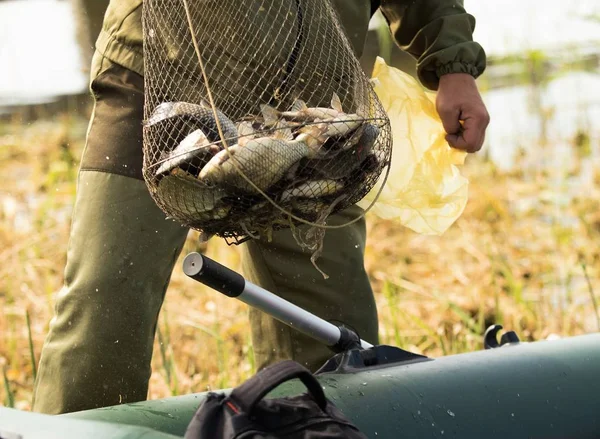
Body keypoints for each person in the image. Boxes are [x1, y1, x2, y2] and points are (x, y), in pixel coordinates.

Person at [32, 0, 490, 414]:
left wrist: (453, 64)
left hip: (311, 113)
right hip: (160, 86)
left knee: (328, 332)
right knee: (105, 302)